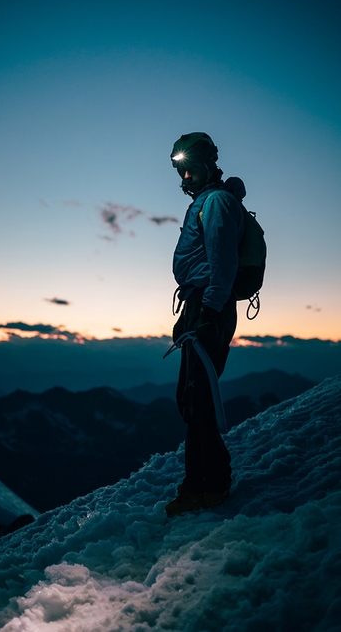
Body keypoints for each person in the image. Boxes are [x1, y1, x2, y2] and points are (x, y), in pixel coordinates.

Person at [165, 132, 245, 517]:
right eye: (181, 171)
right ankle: (204, 482)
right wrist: (192, 315)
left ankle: (207, 485)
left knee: (197, 398)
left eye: (189, 169)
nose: (184, 177)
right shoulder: (206, 201)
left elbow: (223, 260)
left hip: (209, 307)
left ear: (208, 164)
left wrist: (208, 310)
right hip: (201, 306)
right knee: (191, 397)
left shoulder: (215, 203)